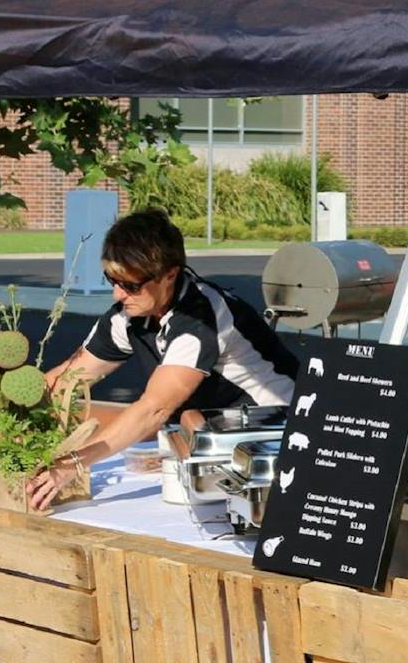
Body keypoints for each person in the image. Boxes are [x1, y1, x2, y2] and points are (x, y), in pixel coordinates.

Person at [25, 208, 297, 510]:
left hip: (276, 443)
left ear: (170, 274)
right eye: (112, 280)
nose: (118, 294)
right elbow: (69, 378)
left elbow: (153, 409)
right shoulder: (128, 315)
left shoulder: (200, 320)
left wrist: (72, 464)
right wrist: (12, 416)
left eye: (130, 285)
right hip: (215, 440)